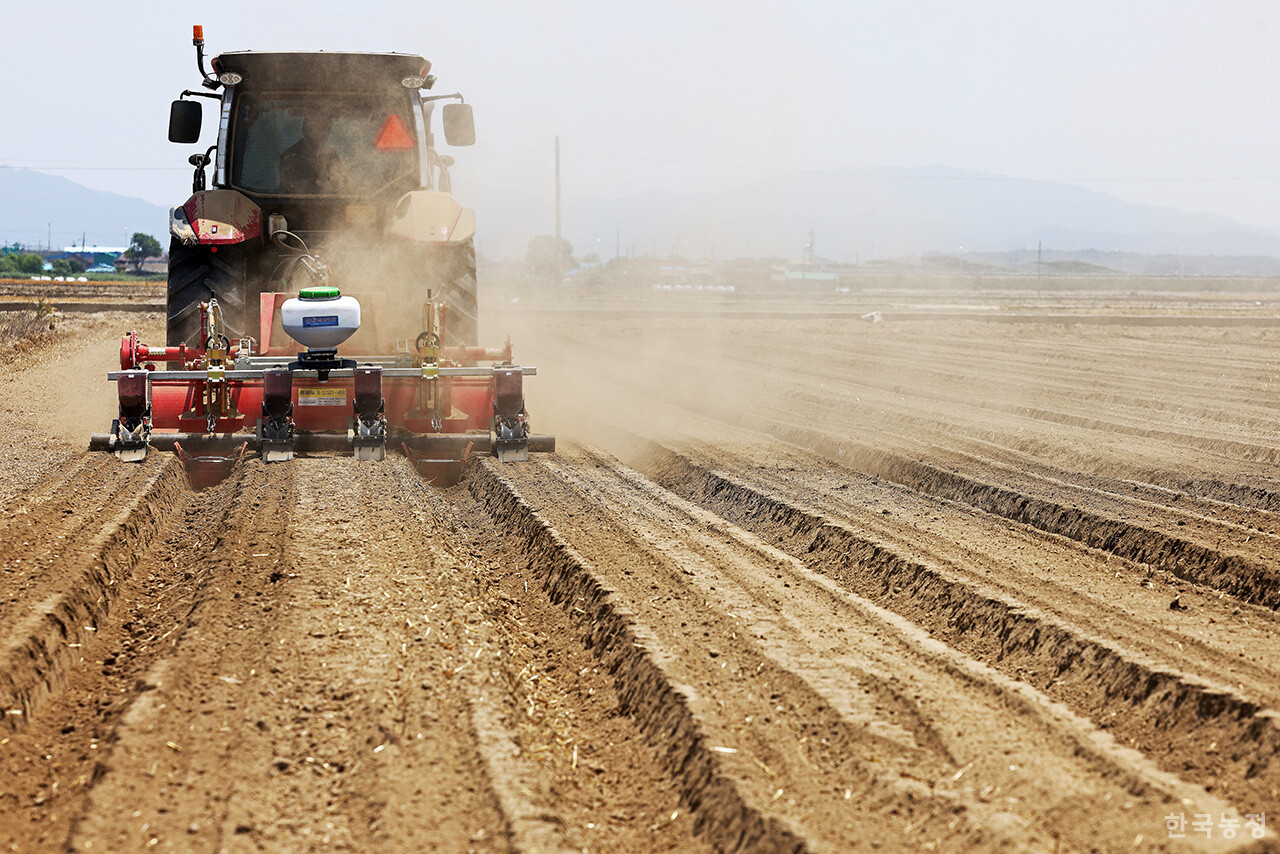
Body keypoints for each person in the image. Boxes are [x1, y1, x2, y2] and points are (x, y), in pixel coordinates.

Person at [278, 115, 352, 193]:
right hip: (297, 204)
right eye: (318, 129)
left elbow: (345, 181)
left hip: (330, 203)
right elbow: (291, 188)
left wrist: (356, 189)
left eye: (326, 130)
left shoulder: (330, 155)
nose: (323, 134)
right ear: (305, 130)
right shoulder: (290, 157)